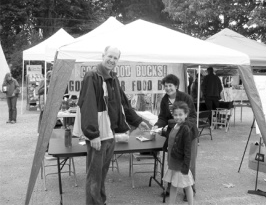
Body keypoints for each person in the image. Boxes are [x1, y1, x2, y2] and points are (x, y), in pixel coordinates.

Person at [78, 46, 149, 205]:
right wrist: (92, 134)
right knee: (94, 176)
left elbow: (123, 103)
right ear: (103, 55)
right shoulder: (92, 77)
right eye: (110, 56)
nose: (112, 60)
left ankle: (100, 201)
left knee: (101, 173)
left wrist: (137, 121)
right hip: (99, 136)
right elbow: (87, 106)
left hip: (110, 135)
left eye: (115, 58)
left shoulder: (113, 78)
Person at [152, 74, 198, 201]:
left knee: (188, 162)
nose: (168, 88)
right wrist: (157, 126)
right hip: (173, 136)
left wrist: (181, 126)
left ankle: (189, 189)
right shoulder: (164, 100)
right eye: (165, 86)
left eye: (170, 86)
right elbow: (162, 117)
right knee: (172, 162)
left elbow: (193, 116)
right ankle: (170, 187)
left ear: (176, 86)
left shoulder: (185, 97)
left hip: (188, 135)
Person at [162, 101, 194, 205]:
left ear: (186, 114)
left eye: (180, 115)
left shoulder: (185, 129)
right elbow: (170, 141)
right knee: (173, 185)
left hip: (181, 163)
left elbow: (187, 149)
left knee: (187, 185)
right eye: (175, 115)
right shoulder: (174, 126)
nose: (178, 117)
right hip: (173, 162)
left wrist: (186, 164)